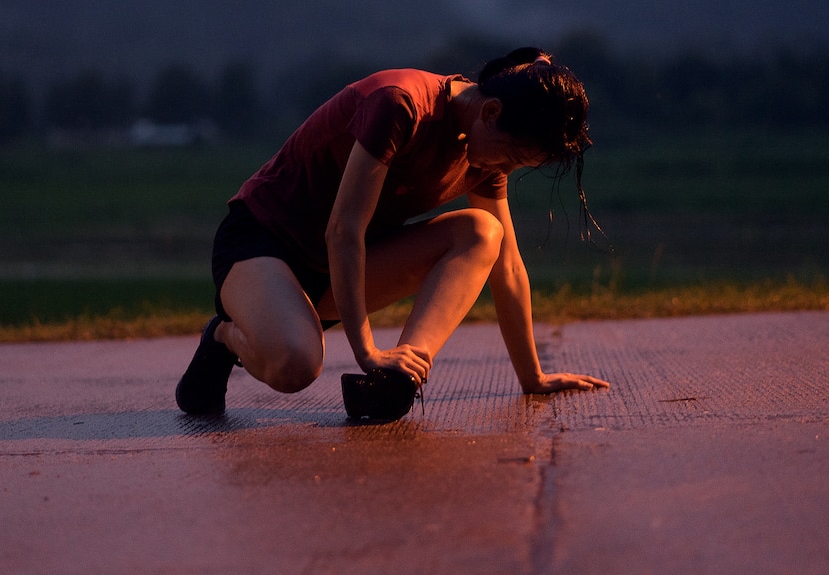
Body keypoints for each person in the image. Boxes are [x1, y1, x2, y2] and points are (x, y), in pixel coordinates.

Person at [176, 46, 611, 419]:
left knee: (484, 232)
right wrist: (367, 352)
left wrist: (532, 377)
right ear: (491, 113)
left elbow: (508, 267)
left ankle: (398, 378)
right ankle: (224, 335)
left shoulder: (481, 152)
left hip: (335, 269)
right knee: (296, 366)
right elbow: (343, 230)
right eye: (511, 156)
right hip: (261, 243)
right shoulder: (400, 103)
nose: (506, 170)